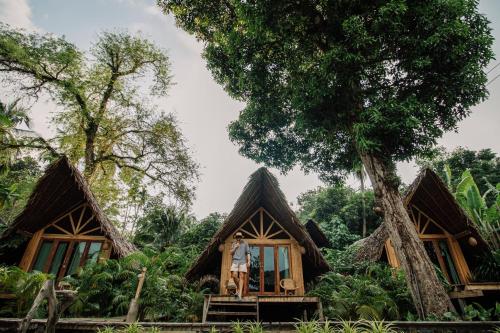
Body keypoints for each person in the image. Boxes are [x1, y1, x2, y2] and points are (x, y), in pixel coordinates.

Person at [230, 231, 250, 300]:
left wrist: (249, 261)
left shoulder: (245, 243)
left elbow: (248, 253)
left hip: (243, 262)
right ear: (236, 237)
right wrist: (235, 247)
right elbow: (231, 253)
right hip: (235, 261)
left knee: (242, 277)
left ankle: (240, 294)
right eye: (237, 237)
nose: (238, 238)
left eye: (239, 237)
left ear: (241, 237)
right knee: (234, 275)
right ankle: (238, 288)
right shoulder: (233, 244)